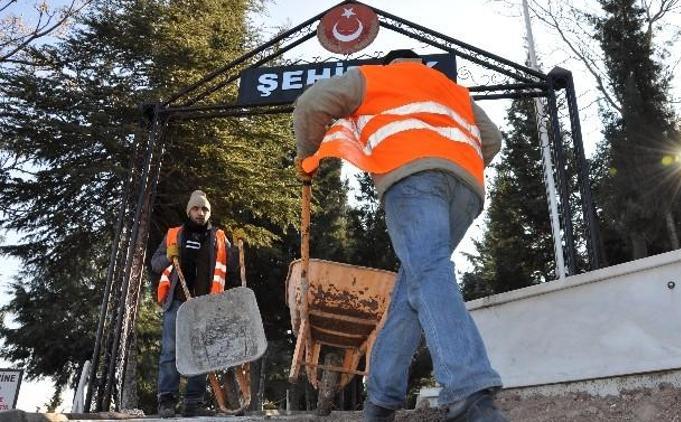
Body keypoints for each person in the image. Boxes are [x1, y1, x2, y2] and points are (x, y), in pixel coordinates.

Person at [293, 49, 507, 421]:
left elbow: (311, 104)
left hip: (414, 181)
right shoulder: (453, 90)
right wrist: (454, 162)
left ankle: (469, 391)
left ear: (389, 63)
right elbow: (493, 139)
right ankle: (380, 399)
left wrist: (306, 157)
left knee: (427, 274)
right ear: (419, 65)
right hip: (467, 191)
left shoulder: (373, 77)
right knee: (414, 287)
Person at [151, 190, 240, 418]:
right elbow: (155, 263)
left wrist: (237, 249)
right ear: (189, 210)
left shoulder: (218, 237)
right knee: (170, 352)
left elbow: (232, 265)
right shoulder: (175, 235)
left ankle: (193, 402)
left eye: (205, 209)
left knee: (201, 353)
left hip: (203, 305)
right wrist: (169, 257)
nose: (200, 213)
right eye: (196, 209)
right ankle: (166, 401)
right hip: (177, 303)